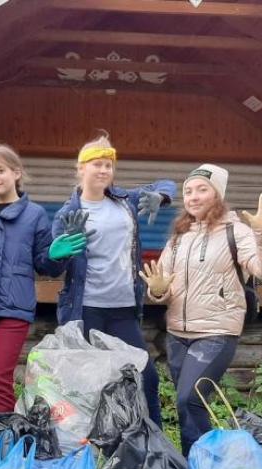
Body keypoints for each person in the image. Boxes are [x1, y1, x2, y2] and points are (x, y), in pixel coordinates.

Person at [139, 164, 262, 456]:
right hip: (178, 334)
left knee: (188, 400)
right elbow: (163, 288)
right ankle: (198, 467)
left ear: (218, 193)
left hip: (216, 332)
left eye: (202, 189)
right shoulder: (179, 238)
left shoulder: (237, 232)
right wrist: (156, 289)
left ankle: (205, 466)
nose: (193, 197)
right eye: (188, 191)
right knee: (190, 408)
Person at [53, 132, 175, 427]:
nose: (104, 170)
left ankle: (154, 443)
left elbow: (167, 184)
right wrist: (59, 251)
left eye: (109, 165)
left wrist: (161, 196)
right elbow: (54, 264)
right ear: (81, 168)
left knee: (146, 377)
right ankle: (85, 448)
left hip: (123, 309)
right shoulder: (68, 213)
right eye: (97, 164)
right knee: (86, 384)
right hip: (86, 309)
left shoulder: (125, 201)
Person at [0, 143, 85, 413]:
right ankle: (2, 431)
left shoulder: (34, 215)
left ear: (16, 173)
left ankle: (3, 440)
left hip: (14, 309)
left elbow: (46, 267)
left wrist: (56, 256)